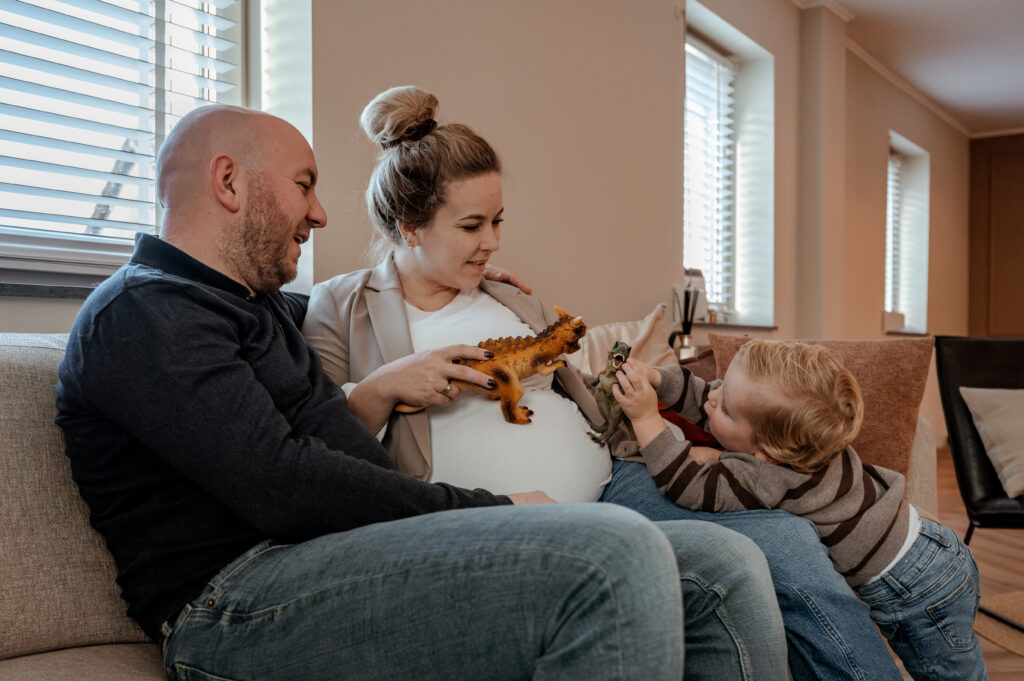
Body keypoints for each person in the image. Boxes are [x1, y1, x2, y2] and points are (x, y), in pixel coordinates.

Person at [54, 104, 699, 681]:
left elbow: (365, 305)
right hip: (232, 602)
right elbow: (284, 483)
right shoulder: (144, 312)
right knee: (612, 552)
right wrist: (489, 507)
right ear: (228, 182)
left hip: (329, 559)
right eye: (304, 185)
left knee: (721, 570)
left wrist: (467, 272)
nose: (320, 212)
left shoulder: (259, 308)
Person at [301, 85, 901, 680]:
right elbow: (320, 450)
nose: (493, 241)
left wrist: (650, 418)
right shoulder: (342, 305)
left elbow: (574, 380)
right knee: (731, 560)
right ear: (410, 226)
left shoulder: (503, 291)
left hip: (616, 482)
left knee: (783, 543)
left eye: (498, 221)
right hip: (498, 520)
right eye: (472, 225)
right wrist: (384, 384)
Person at [613, 339, 989, 681]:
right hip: (935, 548)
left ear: (766, 454)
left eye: (725, 407)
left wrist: (646, 418)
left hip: (914, 590)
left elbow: (684, 486)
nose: (713, 397)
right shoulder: (806, 441)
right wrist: (657, 379)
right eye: (724, 383)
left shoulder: (767, 476)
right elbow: (705, 397)